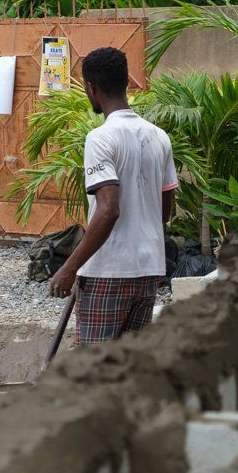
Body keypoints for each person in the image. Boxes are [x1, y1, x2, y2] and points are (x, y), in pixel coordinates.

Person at [48, 47, 177, 345]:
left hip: (110, 273)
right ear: (126, 82)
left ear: (91, 88)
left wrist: (69, 268)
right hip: (148, 272)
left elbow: (108, 210)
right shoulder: (158, 136)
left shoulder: (101, 138)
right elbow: (165, 208)